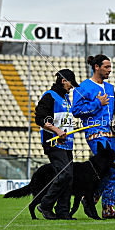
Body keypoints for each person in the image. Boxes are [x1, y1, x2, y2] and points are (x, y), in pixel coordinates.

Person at [72, 54, 115, 219]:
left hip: (111, 134)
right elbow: (76, 111)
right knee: (108, 169)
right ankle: (90, 200)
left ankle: (107, 209)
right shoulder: (84, 87)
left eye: (110, 67)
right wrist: (98, 103)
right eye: (106, 67)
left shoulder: (110, 88)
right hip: (95, 133)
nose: (110, 70)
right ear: (97, 67)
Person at [34, 69, 79, 220]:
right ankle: (45, 205)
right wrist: (56, 130)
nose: (71, 87)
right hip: (52, 142)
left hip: (67, 144)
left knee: (69, 178)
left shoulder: (66, 99)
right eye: (70, 83)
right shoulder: (49, 96)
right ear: (63, 80)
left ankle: (63, 212)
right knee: (64, 174)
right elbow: (40, 118)